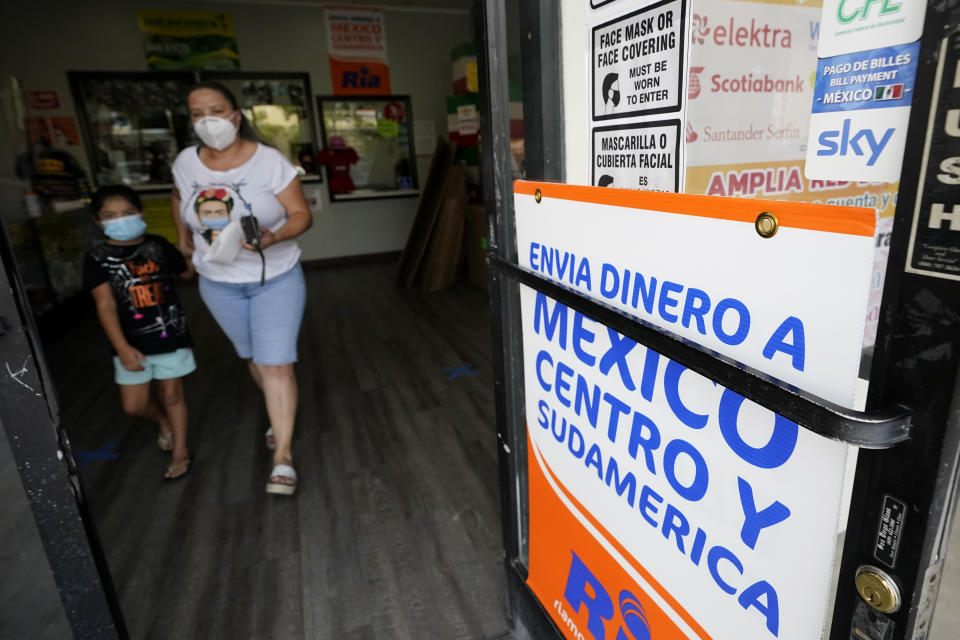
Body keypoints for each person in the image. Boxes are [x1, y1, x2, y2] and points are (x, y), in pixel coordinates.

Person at [170, 81, 312, 496]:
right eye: (197, 113)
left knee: (276, 364)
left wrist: (273, 237)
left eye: (216, 110)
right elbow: (178, 195)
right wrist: (182, 239)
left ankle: (282, 457)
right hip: (219, 284)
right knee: (253, 356)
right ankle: (277, 409)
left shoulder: (268, 162)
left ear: (236, 115)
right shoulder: (185, 162)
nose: (208, 120)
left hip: (274, 277)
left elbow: (301, 215)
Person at [83, 185, 195, 480]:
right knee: (135, 406)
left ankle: (181, 450)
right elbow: (104, 305)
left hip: (170, 334)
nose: (120, 220)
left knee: (173, 395)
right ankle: (163, 422)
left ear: (141, 213)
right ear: (99, 222)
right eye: (110, 216)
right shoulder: (96, 257)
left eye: (128, 213)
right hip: (130, 342)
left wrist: (189, 253)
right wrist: (121, 347)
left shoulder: (158, 245)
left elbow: (185, 273)